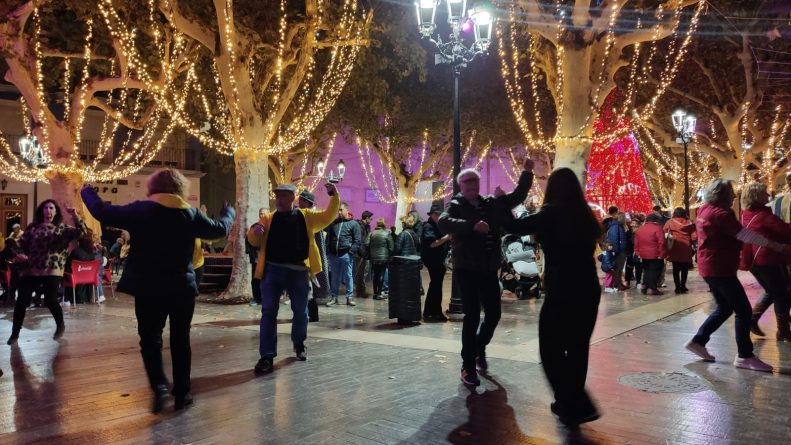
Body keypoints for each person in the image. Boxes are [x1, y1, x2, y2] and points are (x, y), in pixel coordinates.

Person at [81, 168, 234, 412]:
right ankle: (182, 393)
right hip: (180, 288)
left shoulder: (141, 210)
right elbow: (219, 230)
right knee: (180, 340)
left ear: (153, 187)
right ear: (180, 188)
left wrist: (86, 190)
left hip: (148, 286)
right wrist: (228, 212)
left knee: (150, 339)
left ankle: (159, 386)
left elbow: (102, 212)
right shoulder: (190, 214)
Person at [504, 167, 602, 428]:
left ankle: (573, 401)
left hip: (563, 288)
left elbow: (512, 225)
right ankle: (571, 405)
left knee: (550, 348)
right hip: (589, 287)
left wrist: (504, 199)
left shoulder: (550, 214)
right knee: (578, 347)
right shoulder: (586, 215)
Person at [439, 158, 533, 386]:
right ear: (461, 186)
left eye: (475, 182)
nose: (472, 186)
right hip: (466, 269)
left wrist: (527, 172)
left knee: (494, 314)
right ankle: (467, 366)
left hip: (489, 269)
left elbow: (516, 198)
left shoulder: (490, 204)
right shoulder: (456, 204)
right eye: (468, 183)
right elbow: (444, 222)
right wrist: (471, 226)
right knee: (471, 316)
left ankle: (479, 346)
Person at [685, 179, 782, 373]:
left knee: (724, 308)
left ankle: (698, 341)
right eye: (731, 193)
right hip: (720, 268)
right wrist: (775, 245)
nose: (734, 196)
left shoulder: (704, 210)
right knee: (744, 311)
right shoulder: (722, 214)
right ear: (723, 195)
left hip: (708, 266)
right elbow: (745, 235)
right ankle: (745, 355)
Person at [248, 183, 340, 374]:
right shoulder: (268, 218)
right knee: (268, 312)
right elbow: (253, 239)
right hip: (272, 271)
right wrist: (254, 233)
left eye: (283, 196)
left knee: (301, 311)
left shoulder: (306, 216)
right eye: (277, 196)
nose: (278, 200)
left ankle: (299, 343)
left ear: (292, 198)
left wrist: (334, 195)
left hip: (298, 270)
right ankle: (266, 356)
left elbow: (328, 216)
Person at [7, 200, 86, 345]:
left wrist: (75, 216)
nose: (48, 210)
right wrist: (19, 254)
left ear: (55, 211)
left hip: (52, 269)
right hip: (31, 268)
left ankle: (60, 324)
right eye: (46, 208)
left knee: (50, 300)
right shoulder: (33, 228)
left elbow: (82, 232)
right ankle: (14, 334)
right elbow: (19, 244)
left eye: (51, 208)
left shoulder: (62, 228)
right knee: (22, 300)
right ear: (41, 211)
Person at [739, 183, 791, 341]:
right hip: (768, 259)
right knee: (782, 293)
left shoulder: (745, 213)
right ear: (757, 196)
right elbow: (786, 230)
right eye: (764, 192)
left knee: (773, 290)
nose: (767, 194)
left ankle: (752, 320)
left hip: (754, 259)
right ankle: (783, 332)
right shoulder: (764, 216)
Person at [298, 191, 329, 321]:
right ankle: (308, 314)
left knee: (308, 287)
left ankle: (311, 314)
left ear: (306, 202)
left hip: (310, 258)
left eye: (301, 200)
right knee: (306, 287)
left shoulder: (313, 216)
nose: (298, 202)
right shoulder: (305, 215)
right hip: (305, 257)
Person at [325, 202, 362, 307]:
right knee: (334, 277)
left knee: (348, 277)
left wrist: (350, 252)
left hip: (346, 254)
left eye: (341, 210)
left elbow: (358, 240)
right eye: (338, 210)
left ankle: (349, 298)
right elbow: (328, 238)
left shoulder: (354, 224)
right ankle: (334, 297)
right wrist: (328, 251)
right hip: (334, 255)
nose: (339, 212)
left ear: (347, 210)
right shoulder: (334, 223)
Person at [421, 204, 451, 321]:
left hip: (438, 260)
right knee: (436, 285)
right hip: (433, 260)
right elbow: (432, 244)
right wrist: (446, 238)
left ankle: (431, 311)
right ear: (432, 215)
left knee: (435, 285)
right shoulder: (429, 226)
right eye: (437, 214)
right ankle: (434, 312)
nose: (439, 216)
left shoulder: (438, 225)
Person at [664, 208, 696, 294]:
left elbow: (665, 231)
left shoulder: (670, 222)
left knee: (676, 269)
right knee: (684, 269)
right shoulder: (688, 222)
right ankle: (683, 286)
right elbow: (694, 236)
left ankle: (677, 287)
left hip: (675, 247)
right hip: (686, 247)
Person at [634, 212, 666, 295]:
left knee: (647, 270)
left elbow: (636, 243)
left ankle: (644, 286)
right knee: (655, 271)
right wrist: (661, 254)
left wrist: (638, 253)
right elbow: (661, 242)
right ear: (656, 220)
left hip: (643, 254)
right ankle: (652, 288)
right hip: (655, 254)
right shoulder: (658, 229)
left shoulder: (640, 229)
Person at [368, 217, 393, 300]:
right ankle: (379, 294)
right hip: (384, 258)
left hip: (373, 258)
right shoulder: (387, 234)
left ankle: (375, 293)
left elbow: (366, 243)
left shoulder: (371, 233)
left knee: (375, 275)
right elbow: (391, 247)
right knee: (382, 274)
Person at [246, 208, 267, 306]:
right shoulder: (254, 226)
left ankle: (266, 298)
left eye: (264, 213)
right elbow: (249, 239)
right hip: (257, 257)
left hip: (268, 257)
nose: (262, 215)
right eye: (260, 213)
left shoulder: (272, 226)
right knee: (255, 278)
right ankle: (256, 298)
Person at [605, 213, 628, 291]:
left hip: (620, 250)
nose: (625, 219)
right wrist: (618, 250)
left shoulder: (617, 226)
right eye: (624, 218)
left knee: (619, 268)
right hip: (619, 251)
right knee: (618, 268)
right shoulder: (616, 226)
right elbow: (614, 239)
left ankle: (619, 283)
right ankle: (617, 284)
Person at [353, 210, 373, 299]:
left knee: (363, 273)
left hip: (364, 253)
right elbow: (359, 241)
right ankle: (360, 291)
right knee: (359, 273)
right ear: (366, 218)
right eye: (370, 218)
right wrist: (363, 254)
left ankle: (361, 291)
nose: (371, 220)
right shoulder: (359, 226)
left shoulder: (367, 227)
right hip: (360, 254)